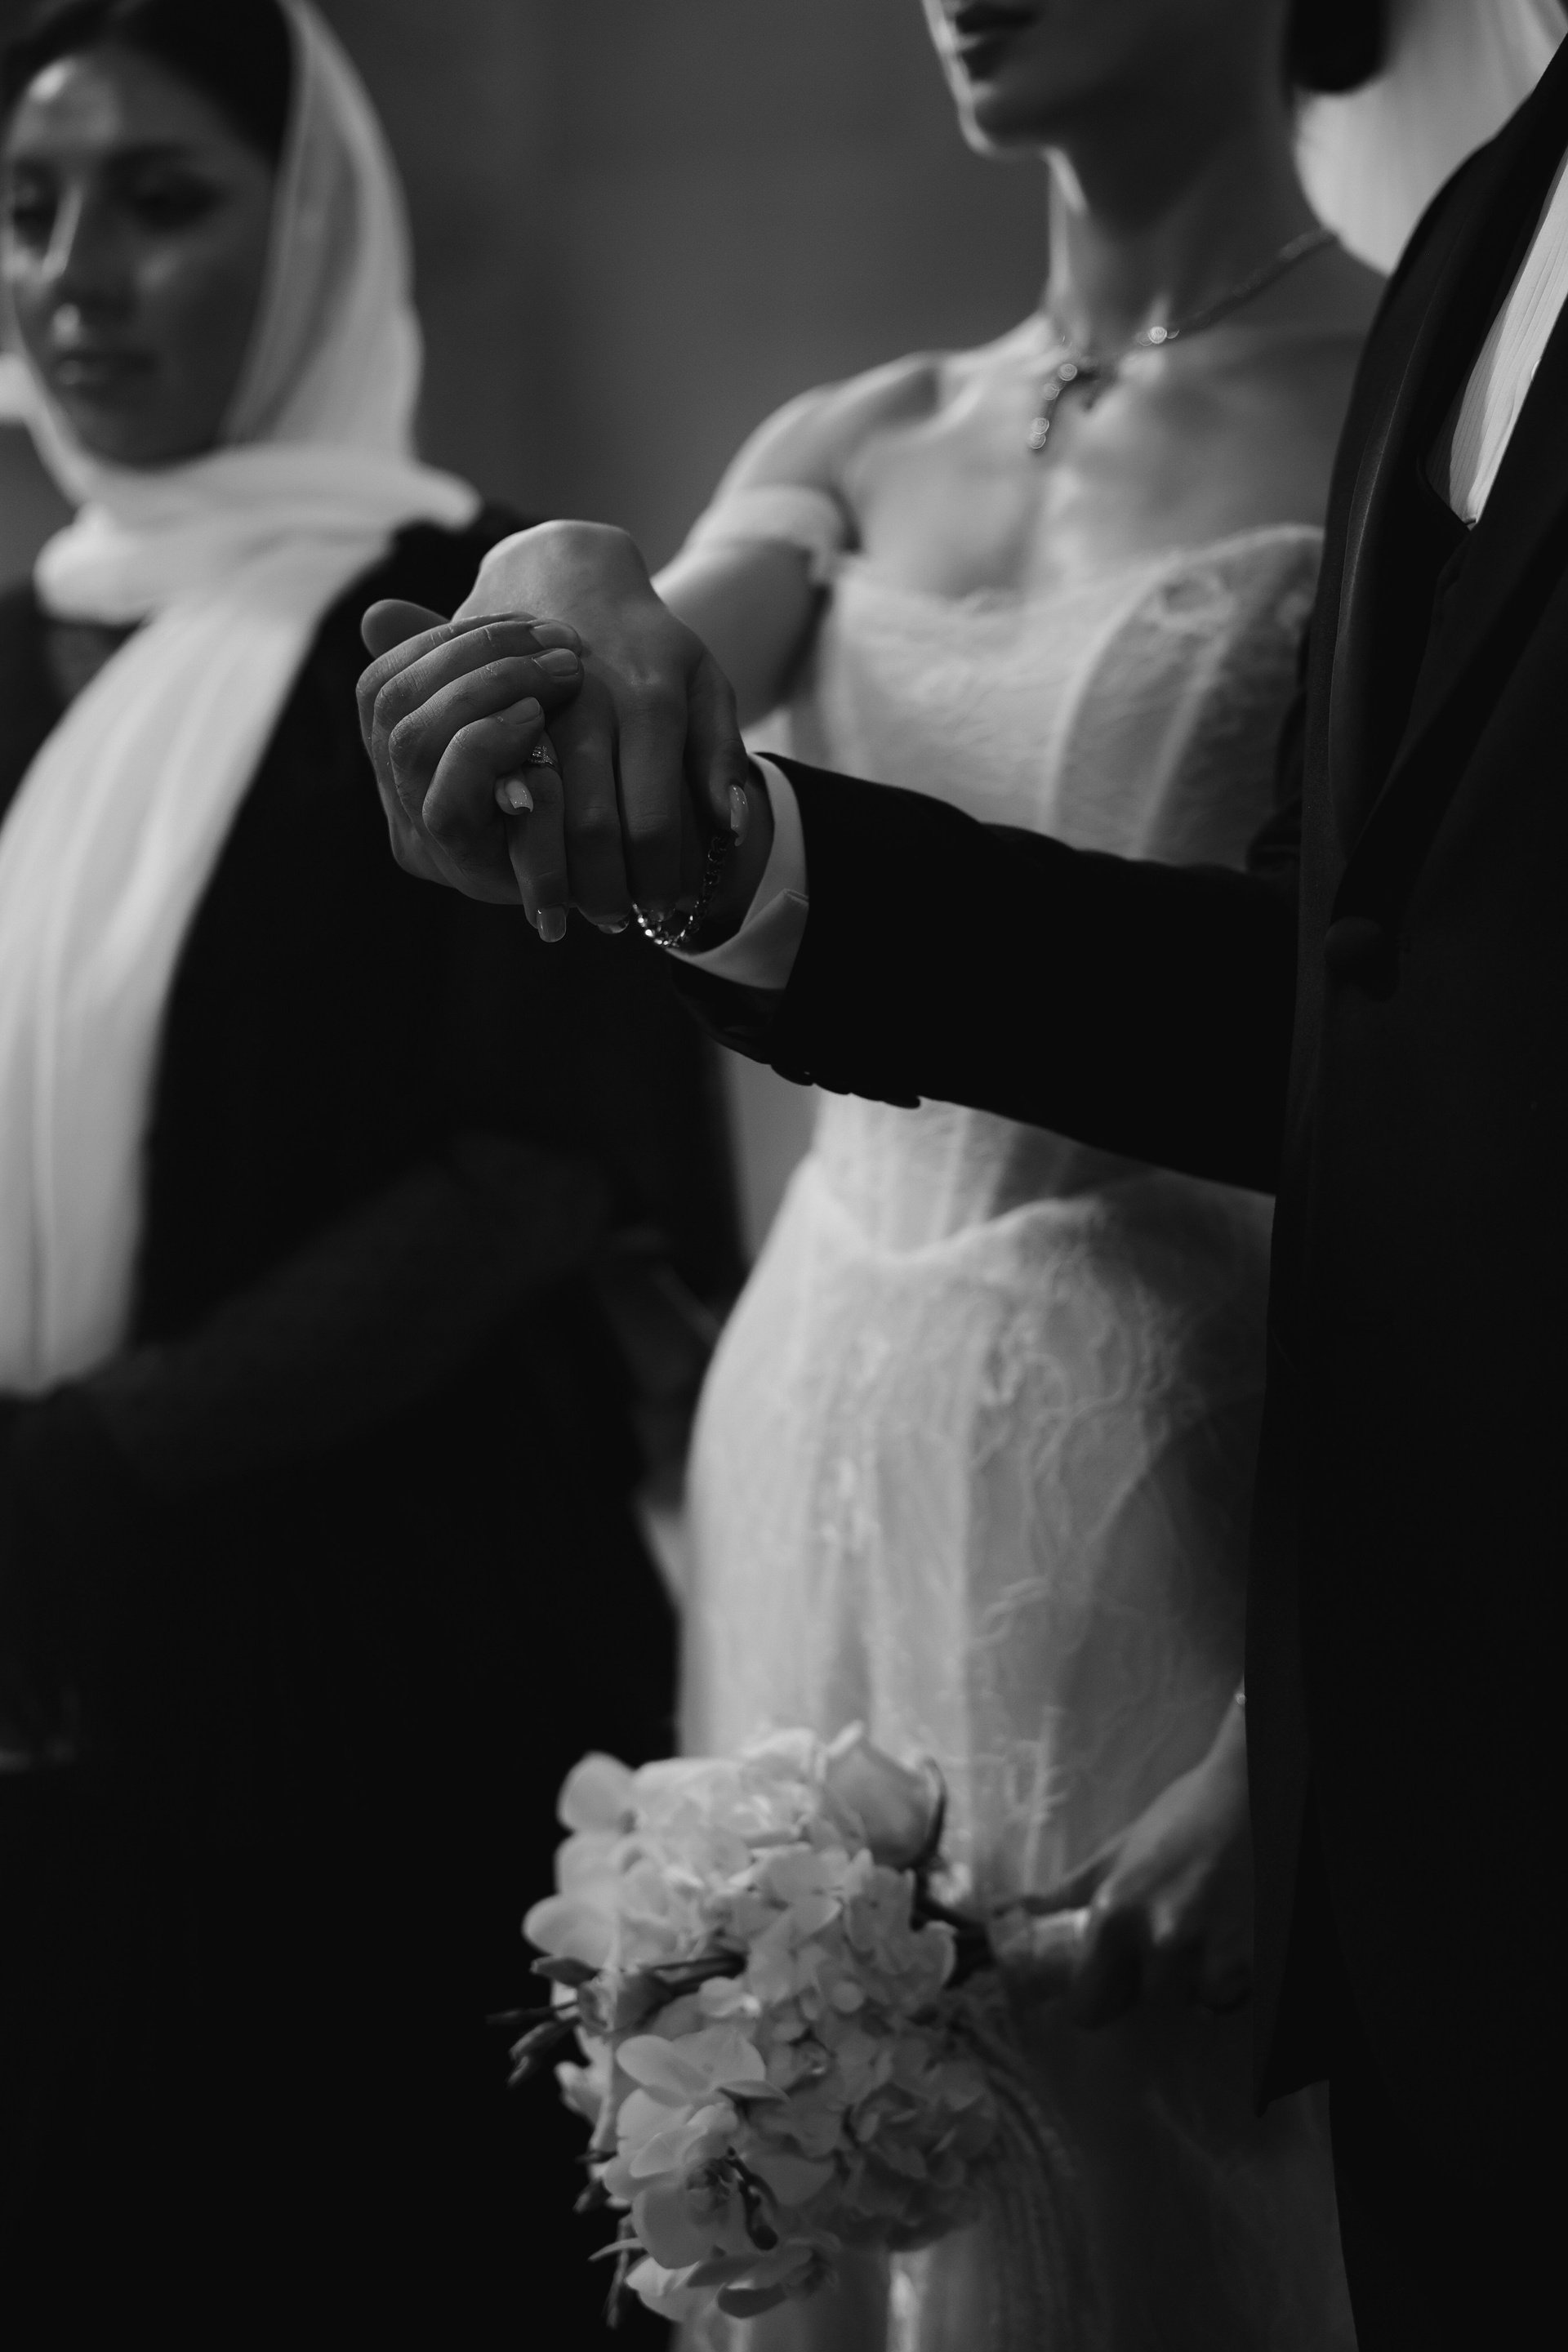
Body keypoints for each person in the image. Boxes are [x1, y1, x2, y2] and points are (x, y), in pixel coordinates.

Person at [359, 3, 1566, 2344]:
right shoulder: (856, 436)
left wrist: (1297, 1720)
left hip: (1173, 1440)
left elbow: (1411, 1043)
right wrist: (555, 580)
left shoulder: (1405, 378)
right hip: (826, 1393)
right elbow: (653, 692)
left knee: (1161, 2180)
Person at [0, 2, 736, 2341]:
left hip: (390, 1661)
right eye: (25, 209)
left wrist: (93, 1456)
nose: (74, 274)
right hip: (63, 1669)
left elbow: (537, 1154)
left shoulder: (450, 622)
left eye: (161, 200)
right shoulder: (19, 642)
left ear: (313, 233)